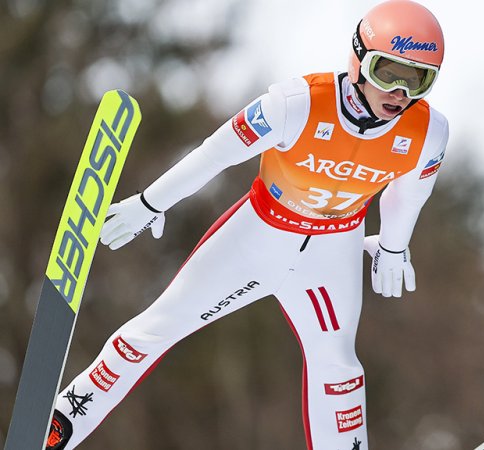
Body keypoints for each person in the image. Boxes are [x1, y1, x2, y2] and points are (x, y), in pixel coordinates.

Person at [45, 1, 448, 449]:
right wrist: (149, 203)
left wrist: (394, 247)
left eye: (418, 79)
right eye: (387, 71)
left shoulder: (428, 131)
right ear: (358, 59)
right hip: (257, 237)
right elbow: (214, 155)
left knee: (339, 367)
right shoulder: (294, 104)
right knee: (158, 326)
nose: (399, 91)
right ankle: (61, 422)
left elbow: (409, 193)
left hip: (332, 253)